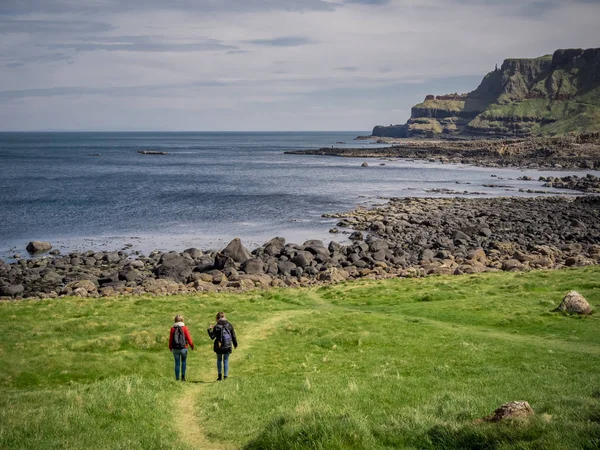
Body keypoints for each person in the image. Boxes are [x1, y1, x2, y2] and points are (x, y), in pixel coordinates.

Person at [207, 312, 237, 381]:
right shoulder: (229, 325)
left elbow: (212, 337)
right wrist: (235, 344)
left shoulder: (216, 326)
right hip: (227, 345)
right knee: (226, 360)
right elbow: (233, 335)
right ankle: (225, 377)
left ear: (217, 318)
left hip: (219, 345)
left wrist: (209, 330)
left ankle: (219, 376)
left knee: (219, 360)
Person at [169, 314, 194, 381]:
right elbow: (189, 339)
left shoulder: (172, 329)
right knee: (183, 361)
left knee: (177, 363)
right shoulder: (185, 328)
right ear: (182, 320)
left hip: (175, 348)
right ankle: (183, 377)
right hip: (184, 348)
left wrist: (170, 347)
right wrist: (192, 346)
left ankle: (177, 379)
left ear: (175, 320)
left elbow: (170, 339)